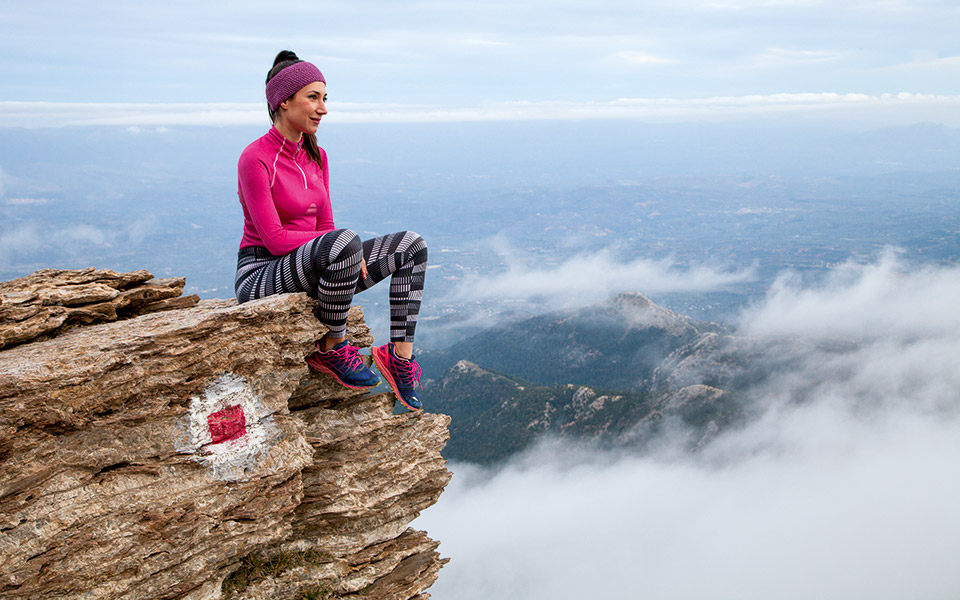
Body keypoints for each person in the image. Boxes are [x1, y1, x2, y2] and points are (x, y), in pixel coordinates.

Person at [234, 50, 426, 411]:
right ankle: (331, 347)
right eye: (313, 98)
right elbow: (274, 239)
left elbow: (325, 227)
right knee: (344, 241)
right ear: (283, 101)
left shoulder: (317, 157)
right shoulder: (255, 158)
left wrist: (345, 250)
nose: (323, 108)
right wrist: (342, 247)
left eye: (324, 98)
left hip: (312, 263)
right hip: (261, 274)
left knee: (412, 246)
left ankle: (399, 358)